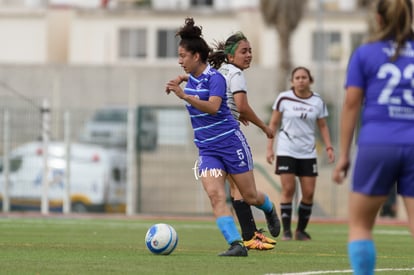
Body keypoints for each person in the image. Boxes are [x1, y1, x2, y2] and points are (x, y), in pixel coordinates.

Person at [165, 17, 280, 257]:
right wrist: (181, 79)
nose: (180, 60)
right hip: (207, 151)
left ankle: (268, 208)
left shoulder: (216, 78)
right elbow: (192, 80)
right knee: (216, 195)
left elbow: (214, 107)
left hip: (230, 143)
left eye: (183, 56)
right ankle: (236, 244)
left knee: (248, 196)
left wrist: (184, 95)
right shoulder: (193, 78)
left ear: (196, 56)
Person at [332, 0, 414, 273]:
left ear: (378, 19)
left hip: (377, 142)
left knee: (360, 225)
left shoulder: (365, 53)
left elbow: (351, 104)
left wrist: (344, 155)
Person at [208, 32, 280, 250]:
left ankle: (255, 227)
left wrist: (237, 115)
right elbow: (242, 105)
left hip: (219, 136)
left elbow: (227, 104)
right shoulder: (235, 73)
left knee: (242, 192)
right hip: (226, 137)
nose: (249, 55)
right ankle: (253, 232)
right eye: (244, 51)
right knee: (237, 191)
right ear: (230, 56)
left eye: (250, 51)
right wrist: (264, 126)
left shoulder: (217, 71)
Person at [266, 66, 335, 241]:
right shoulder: (283, 98)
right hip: (286, 149)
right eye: (297, 77)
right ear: (292, 81)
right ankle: (287, 231)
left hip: (308, 151)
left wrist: (329, 147)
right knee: (288, 189)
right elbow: (273, 124)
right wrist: (269, 147)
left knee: (309, 193)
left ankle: (301, 230)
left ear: (310, 80)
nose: (301, 80)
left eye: (304, 77)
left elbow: (323, 126)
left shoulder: (317, 101)